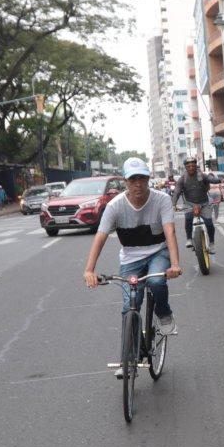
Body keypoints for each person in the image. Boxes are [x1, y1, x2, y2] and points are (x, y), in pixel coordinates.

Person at [83, 157, 183, 376]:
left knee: (157, 281)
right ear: (126, 182)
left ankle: (164, 313)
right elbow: (100, 237)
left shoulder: (162, 200)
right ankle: (130, 359)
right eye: (133, 179)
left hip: (158, 251)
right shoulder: (115, 207)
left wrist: (175, 264)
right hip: (130, 258)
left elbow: (170, 233)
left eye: (143, 178)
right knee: (131, 303)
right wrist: (89, 270)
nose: (138, 183)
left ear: (148, 179)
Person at [171, 157, 218, 252]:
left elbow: (211, 179)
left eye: (193, 165)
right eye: (188, 166)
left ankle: (212, 243)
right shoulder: (182, 179)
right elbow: (176, 192)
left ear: (196, 166)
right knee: (188, 219)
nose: (191, 168)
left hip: (204, 203)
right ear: (185, 167)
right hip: (189, 204)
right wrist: (173, 204)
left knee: (209, 223)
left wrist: (217, 180)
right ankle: (189, 239)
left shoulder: (202, 175)